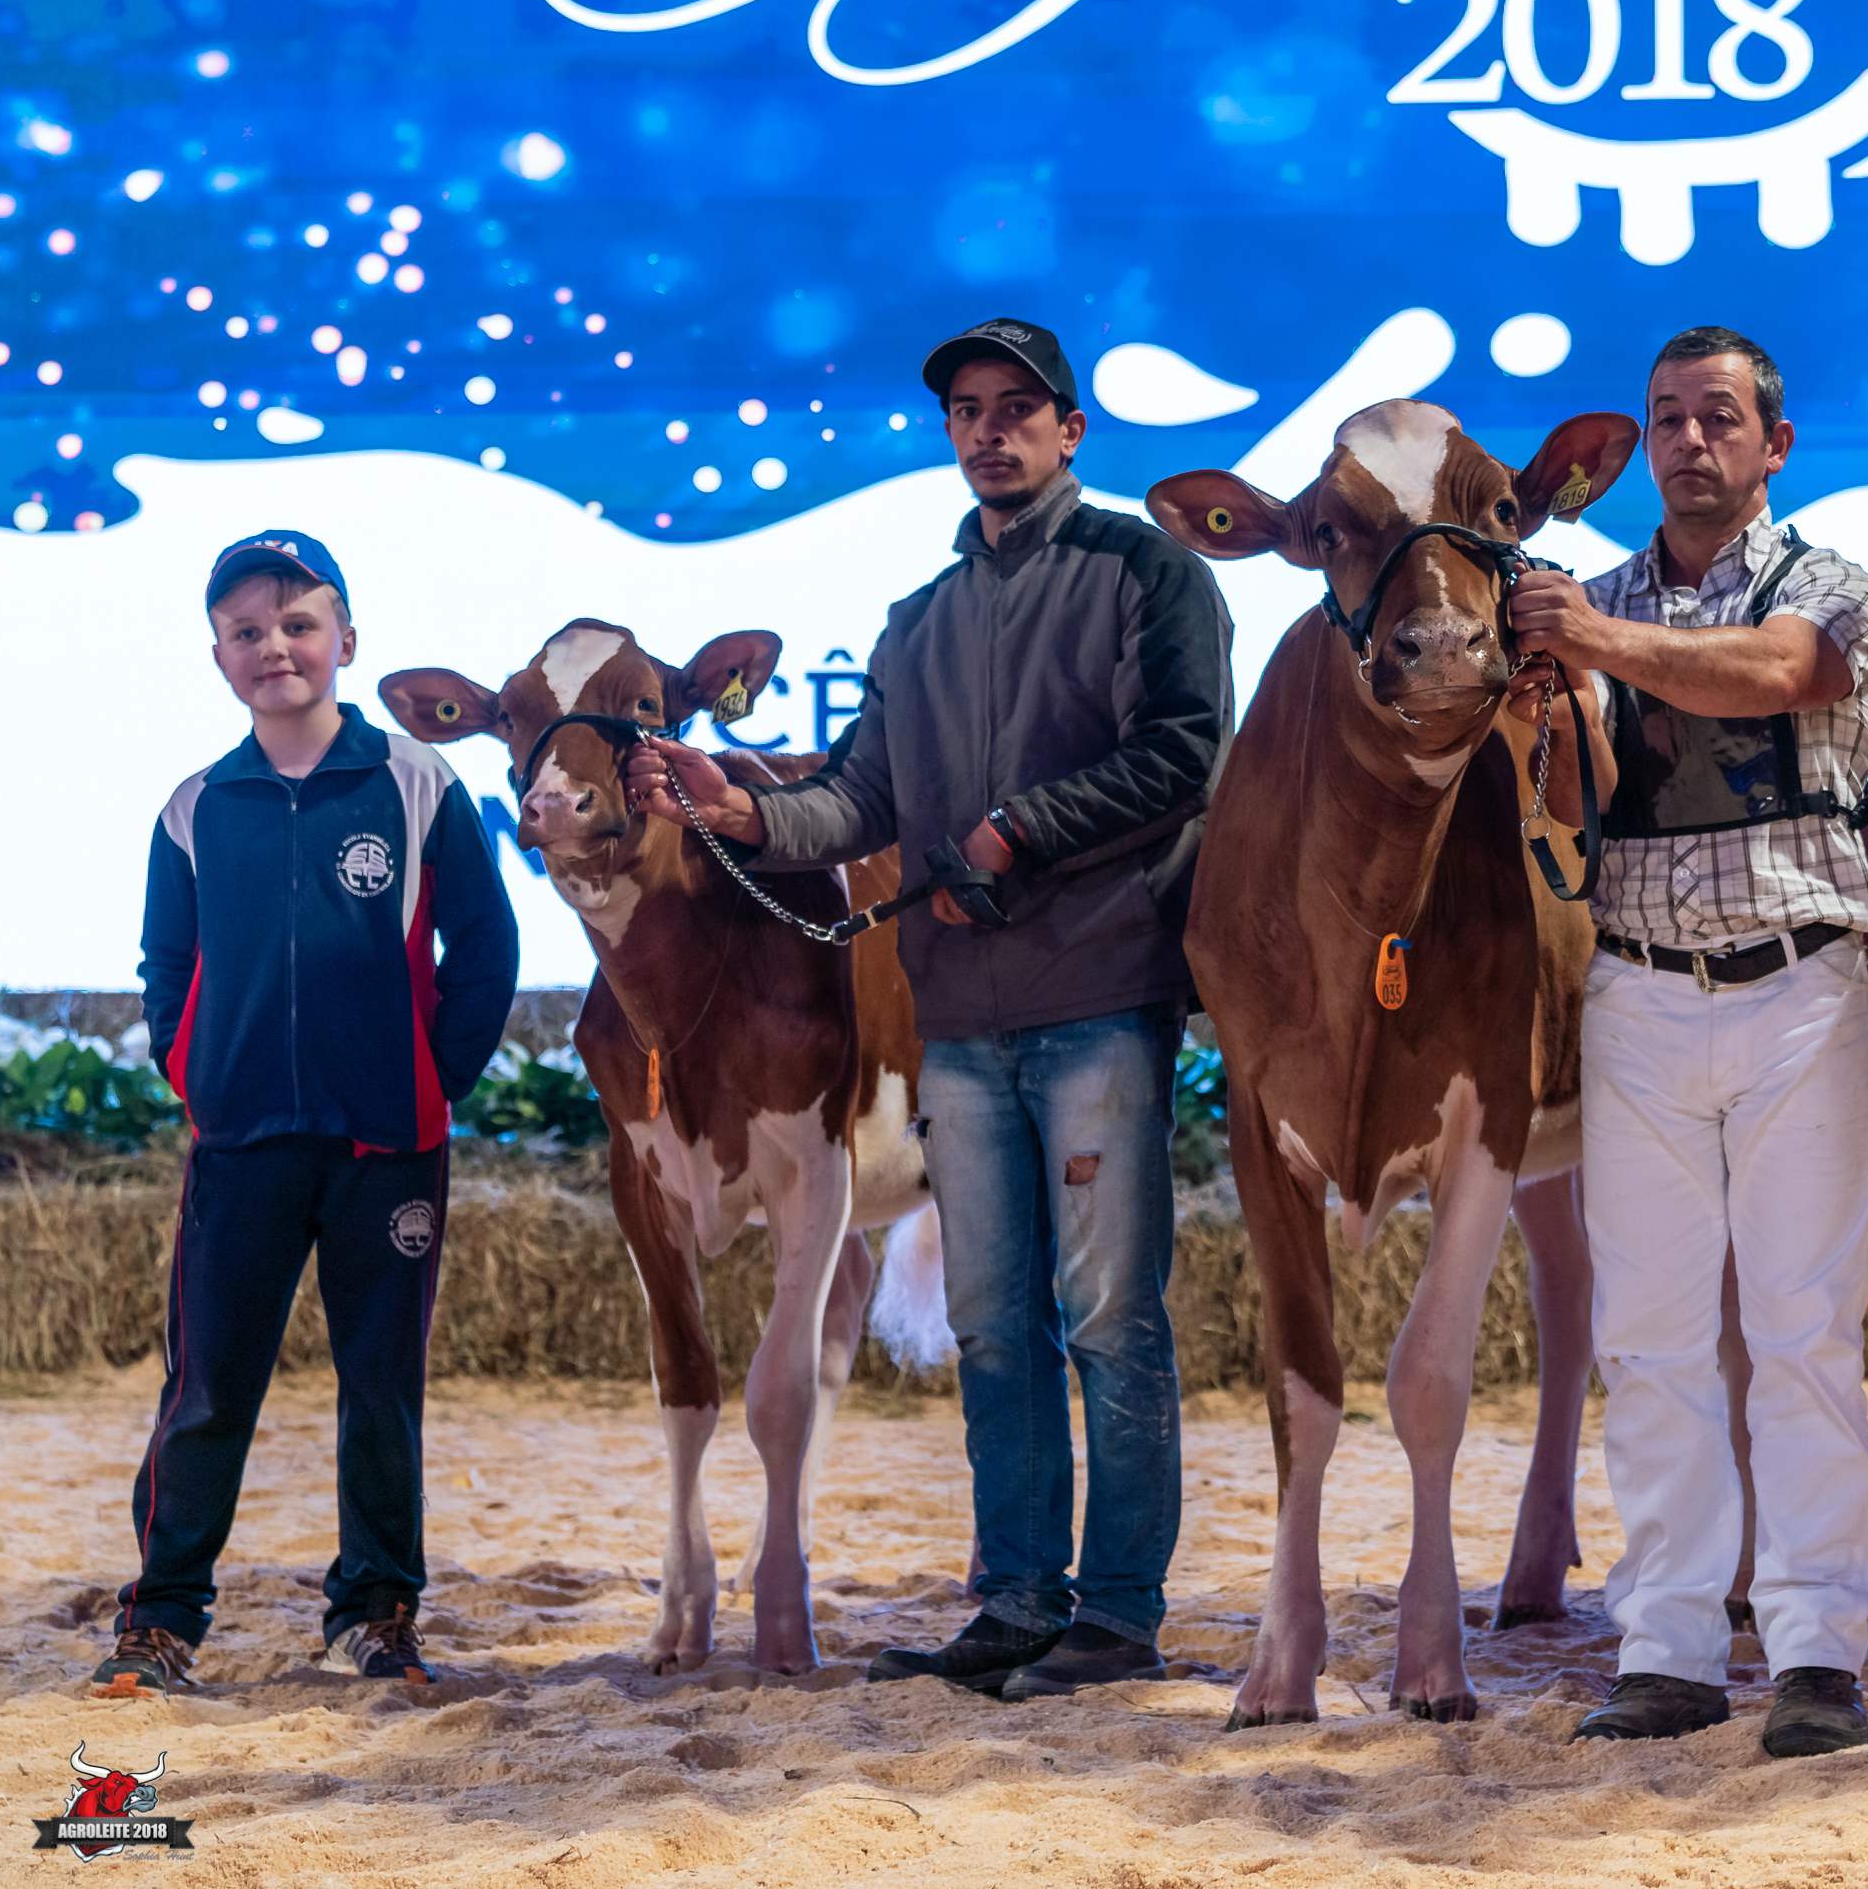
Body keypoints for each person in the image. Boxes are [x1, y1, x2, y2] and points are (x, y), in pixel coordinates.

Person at [630, 317, 1233, 1701]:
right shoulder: (917, 621)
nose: (989, 430)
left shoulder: (1149, 571)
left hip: (1101, 993)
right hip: (958, 1016)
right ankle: (1016, 1600)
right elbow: (861, 800)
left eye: (1018, 407)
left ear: (1071, 429)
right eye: (967, 409)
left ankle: (1117, 1615)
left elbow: (1187, 751)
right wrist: (743, 810)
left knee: (1108, 1315)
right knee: (992, 1322)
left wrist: (1019, 829)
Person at [1507, 326, 1868, 1757]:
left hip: (1803, 990)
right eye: (1667, 416)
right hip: (1638, 990)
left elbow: (1784, 672)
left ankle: (1816, 1652)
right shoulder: (1584, 608)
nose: (1687, 440)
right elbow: (1579, 799)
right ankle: (1667, 1647)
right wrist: (1550, 712)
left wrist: (1589, 645)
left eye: (1718, 416)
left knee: (1802, 1331)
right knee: (1652, 1339)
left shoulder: (1833, 587)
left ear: (1774, 444)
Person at [89, 531, 521, 1697]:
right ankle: (161, 1619)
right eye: (246, 630)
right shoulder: (196, 807)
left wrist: (433, 1076)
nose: (272, 645)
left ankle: (375, 1614)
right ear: (219, 656)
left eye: (296, 622)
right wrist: (196, 1073)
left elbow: (485, 944)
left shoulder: (418, 783)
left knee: (380, 1389)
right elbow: (165, 964)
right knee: (207, 1390)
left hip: (388, 1146)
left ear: (345, 639)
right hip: (241, 1149)